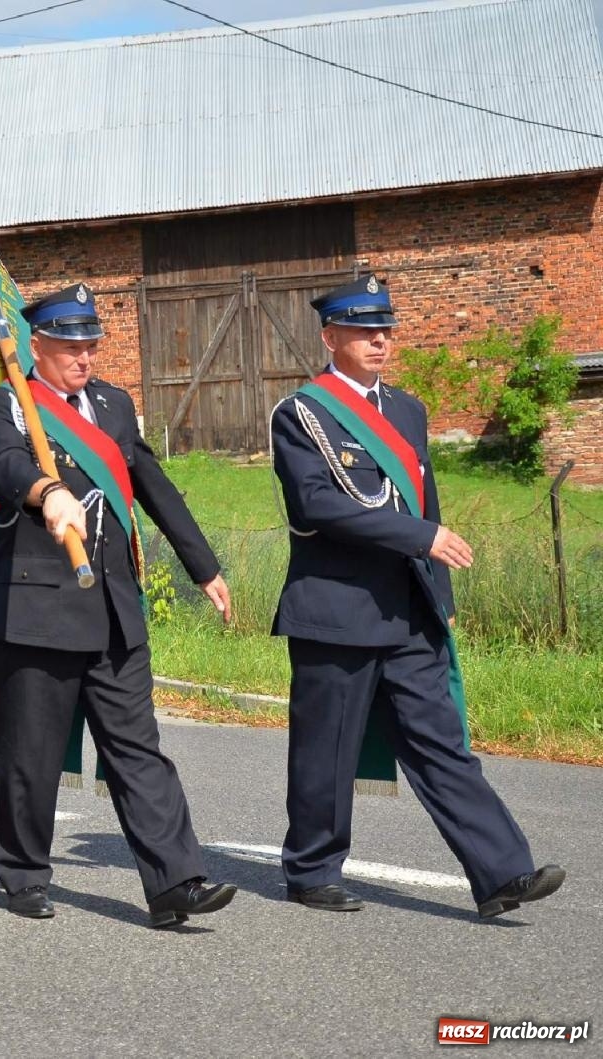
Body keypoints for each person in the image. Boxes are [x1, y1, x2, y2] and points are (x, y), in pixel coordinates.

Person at [271, 275, 565, 918]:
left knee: (441, 743)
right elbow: (316, 505)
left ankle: (502, 873)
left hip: (408, 609)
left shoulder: (407, 410)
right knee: (326, 750)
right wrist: (421, 537)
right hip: (336, 610)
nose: (379, 340)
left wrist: (442, 593)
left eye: (385, 329)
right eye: (363, 330)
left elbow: (427, 504)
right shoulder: (302, 413)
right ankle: (312, 872)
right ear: (330, 337)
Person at [0, 283, 237, 928]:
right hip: (38, 610)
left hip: (114, 608)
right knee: (31, 753)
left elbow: (152, 483)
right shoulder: (9, 401)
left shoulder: (115, 405)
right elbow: (1, 464)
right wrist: (45, 490)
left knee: (138, 749)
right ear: (38, 345)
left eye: (91, 344)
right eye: (71, 346)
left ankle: (175, 881)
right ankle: (23, 872)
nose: (84, 356)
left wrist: (202, 565)